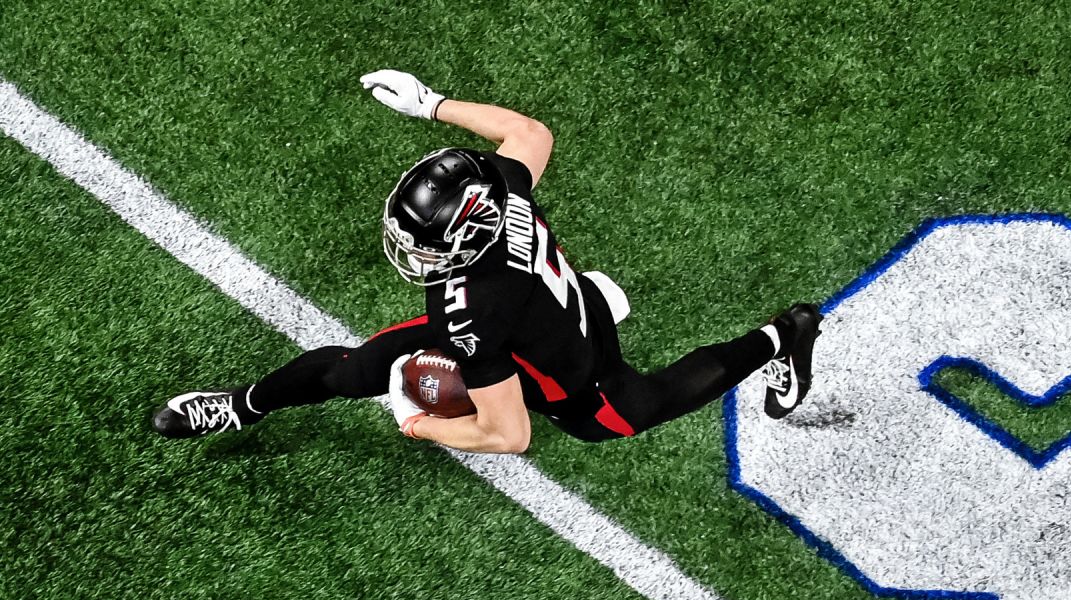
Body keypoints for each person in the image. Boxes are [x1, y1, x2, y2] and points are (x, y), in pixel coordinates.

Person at [151, 69, 822, 453]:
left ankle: (785, 337)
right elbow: (530, 134)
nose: (414, 252)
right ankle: (243, 405)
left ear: (466, 240)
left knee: (632, 410)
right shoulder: (503, 190)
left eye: (426, 244)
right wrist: (430, 104)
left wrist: (424, 427)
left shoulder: (466, 311)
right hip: (560, 302)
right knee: (360, 369)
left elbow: (509, 435)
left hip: (569, 374)